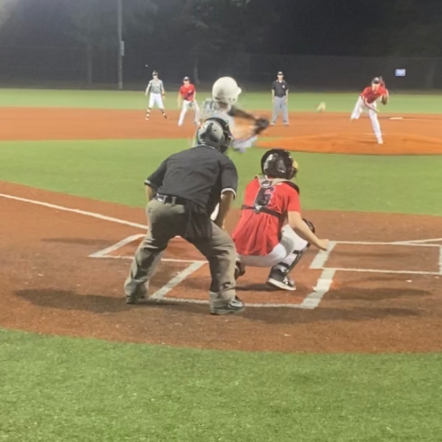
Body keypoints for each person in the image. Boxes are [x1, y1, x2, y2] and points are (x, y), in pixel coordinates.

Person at [125, 118, 245, 315]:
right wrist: (219, 222)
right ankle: (223, 301)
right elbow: (227, 193)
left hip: (158, 206)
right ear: (222, 140)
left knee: (152, 243)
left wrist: (157, 211)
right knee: (224, 249)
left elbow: (150, 184)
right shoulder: (223, 161)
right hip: (190, 212)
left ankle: (134, 291)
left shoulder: (177, 156)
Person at [231, 149, 330, 291]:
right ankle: (279, 274)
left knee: (251, 223)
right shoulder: (289, 190)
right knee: (305, 226)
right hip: (268, 255)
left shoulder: (251, 185)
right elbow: (295, 224)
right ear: (282, 168)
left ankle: (235, 266)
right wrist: (318, 242)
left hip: (235, 252)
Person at [198, 76, 270, 153]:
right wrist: (255, 131)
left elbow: (232, 110)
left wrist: (253, 118)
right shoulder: (225, 121)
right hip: (211, 157)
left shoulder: (208, 104)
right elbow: (238, 146)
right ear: (231, 98)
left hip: (197, 151)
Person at [350, 77, 390, 144]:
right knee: (354, 117)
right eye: (374, 83)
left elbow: (386, 92)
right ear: (372, 84)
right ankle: (356, 115)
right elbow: (365, 103)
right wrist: (374, 109)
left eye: (377, 83)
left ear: (379, 85)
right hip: (361, 102)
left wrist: (386, 98)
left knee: (374, 118)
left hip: (372, 103)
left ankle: (379, 137)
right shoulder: (367, 90)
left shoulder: (381, 90)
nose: (376, 85)